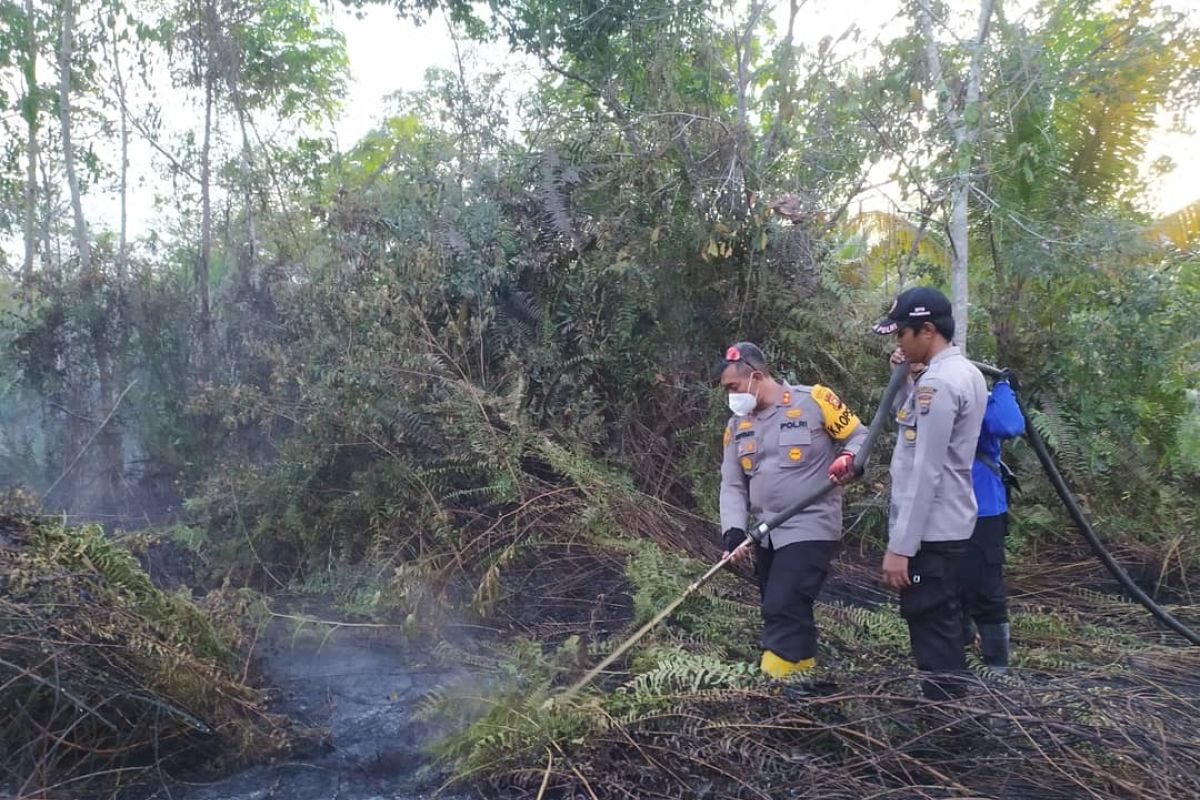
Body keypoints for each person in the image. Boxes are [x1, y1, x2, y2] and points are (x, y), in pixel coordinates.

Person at [717, 342, 868, 679]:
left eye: (733, 387)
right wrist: (733, 532)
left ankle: (774, 687)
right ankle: (804, 685)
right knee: (783, 610)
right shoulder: (737, 426)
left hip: (811, 526)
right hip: (767, 534)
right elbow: (732, 485)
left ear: (756, 376)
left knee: (782, 605)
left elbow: (859, 436)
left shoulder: (814, 400)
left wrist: (849, 460)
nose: (731, 397)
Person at [872, 287, 986, 698]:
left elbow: (927, 469)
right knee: (945, 629)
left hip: (931, 533)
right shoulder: (959, 374)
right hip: (947, 526)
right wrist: (904, 379)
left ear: (927, 331)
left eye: (902, 333)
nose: (898, 342)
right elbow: (914, 424)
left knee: (933, 633)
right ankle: (951, 720)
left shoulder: (939, 383)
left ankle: (949, 732)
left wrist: (901, 546)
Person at [964, 374, 1025, 670]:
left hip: (983, 509)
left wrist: (1003, 387)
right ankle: (961, 653)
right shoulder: (928, 394)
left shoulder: (984, 401)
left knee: (985, 588)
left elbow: (1008, 425)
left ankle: (997, 669)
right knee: (947, 583)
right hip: (939, 509)